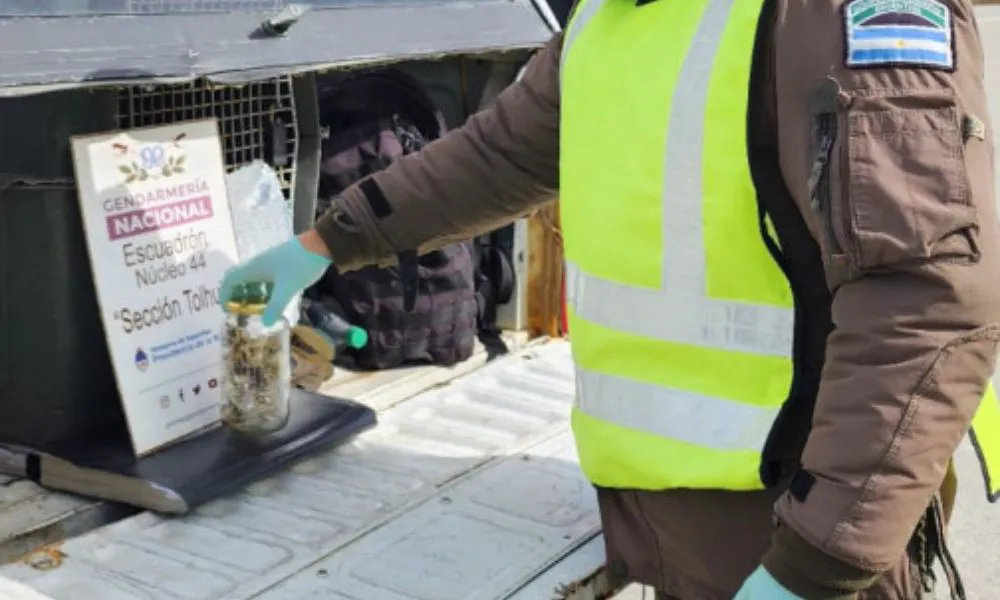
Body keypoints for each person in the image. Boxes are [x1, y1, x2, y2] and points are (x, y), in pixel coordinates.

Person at [220, 0, 1000, 597]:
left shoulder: (831, 15)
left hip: (786, 528)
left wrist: (817, 566)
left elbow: (927, 299)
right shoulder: (610, 17)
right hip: (663, 519)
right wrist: (325, 242)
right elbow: (499, 154)